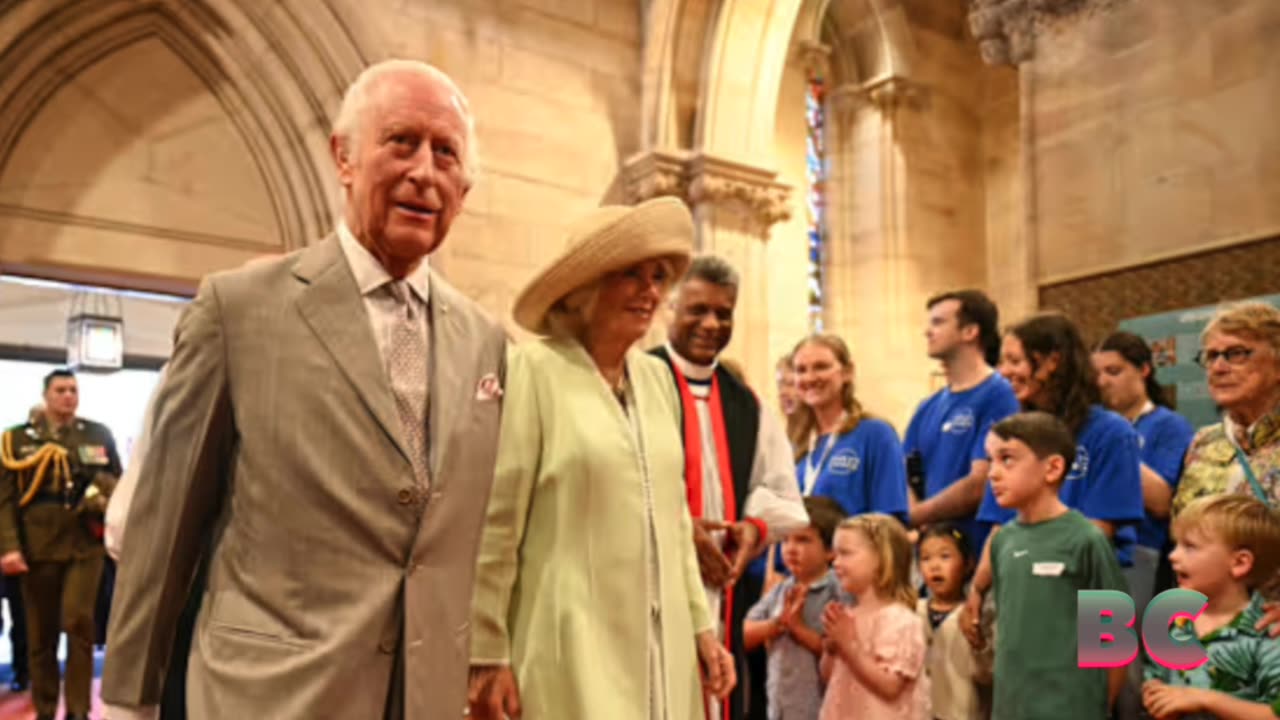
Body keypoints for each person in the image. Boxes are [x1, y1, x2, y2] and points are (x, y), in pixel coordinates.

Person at [100, 59, 508, 719]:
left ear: (464, 187)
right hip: (269, 694)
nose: (424, 172)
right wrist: (129, 701)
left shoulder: (485, 341)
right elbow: (163, 525)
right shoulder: (238, 311)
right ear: (343, 157)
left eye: (446, 153)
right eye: (401, 141)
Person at [468, 197, 735, 720]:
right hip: (568, 641)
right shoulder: (533, 371)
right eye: (630, 274)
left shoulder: (659, 380)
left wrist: (701, 628)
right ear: (585, 288)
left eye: (657, 276)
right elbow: (496, 522)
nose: (650, 291)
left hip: (663, 645)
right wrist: (486, 651)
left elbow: (676, 518)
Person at [651, 255, 808, 720]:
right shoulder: (636, 380)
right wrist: (680, 532)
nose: (711, 323)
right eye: (697, 310)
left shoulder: (746, 403)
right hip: (650, 592)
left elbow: (782, 495)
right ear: (669, 309)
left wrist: (753, 532)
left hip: (722, 596)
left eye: (724, 313)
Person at [963, 313, 1144, 642]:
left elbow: (1099, 530)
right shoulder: (1011, 434)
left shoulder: (1111, 433)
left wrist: (1038, 574)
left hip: (1090, 588)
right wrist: (976, 590)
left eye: (1014, 360)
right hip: (1025, 588)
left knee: (1093, 691)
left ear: (1051, 362)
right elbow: (998, 527)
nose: (1004, 372)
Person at [983, 411, 1129, 719]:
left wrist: (1098, 707)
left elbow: (1114, 643)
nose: (992, 473)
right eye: (990, 460)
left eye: (1007, 459)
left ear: (1052, 468)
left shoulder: (1085, 540)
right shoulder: (1003, 541)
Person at [0, 369, 121, 720]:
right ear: (46, 395)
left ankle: (79, 711)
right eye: (61, 390)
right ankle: (46, 708)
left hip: (84, 543)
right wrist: (9, 547)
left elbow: (119, 481)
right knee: (41, 636)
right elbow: (4, 501)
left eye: (73, 390)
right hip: (36, 547)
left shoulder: (97, 434)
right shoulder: (16, 441)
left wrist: (101, 493)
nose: (69, 396)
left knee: (79, 622)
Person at [1174, 301, 1280, 636]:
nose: (1218, 367)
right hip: (1211, 630)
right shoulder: (1203, 443)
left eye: (1237, 353)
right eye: (1211, 356)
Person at [1141, 494, 1280, 718]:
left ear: (1239, 563)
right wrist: (1154, 692)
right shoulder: (1174, 622)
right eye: (1176, 545)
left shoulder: (1268, 633)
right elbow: (1154, 677)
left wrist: (1207, 700)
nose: (1173, 556)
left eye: (1190, 547)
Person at [904, 290, 1019, 554]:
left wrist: (916, 515)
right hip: (934, 556)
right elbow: (905, 473)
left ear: (970, 332)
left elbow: (981, 482)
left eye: (938, 322)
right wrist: (913, 512)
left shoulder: (1000, 394)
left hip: (979, 549)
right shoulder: (928, 407)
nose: (928, 331)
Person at [1092, 331, 1195, 613]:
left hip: (1141, 554)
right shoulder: (1090, 427)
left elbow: (1162, 502)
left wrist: (1114, 441)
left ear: (1144, 370)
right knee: (1087, 651)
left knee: (1118, 653)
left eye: (1113, 371)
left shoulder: (1168, 426)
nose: (1102, 382)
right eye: (1096, 374)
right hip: (1091, 549)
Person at [743, 496, 848, 720]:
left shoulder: (838, 591)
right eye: (786, 540)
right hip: (779, 709)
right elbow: (744, 634)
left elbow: (845, 655)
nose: (790, 549)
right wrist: (777, 624)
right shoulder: (781, 590)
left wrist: (799, 629)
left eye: (803, 540)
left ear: (831, 550)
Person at [819, 513, 930, 720]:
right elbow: (829, 677)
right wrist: (831, 649)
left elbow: (890, 687)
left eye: (846, 553)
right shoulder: (848, 616)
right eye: (835, 554)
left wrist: (850, 647)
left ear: (881, 558)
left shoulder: (900, 620)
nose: (835, 562)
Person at [789, 334, 909, 522]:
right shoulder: (797, 444)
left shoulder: (875, 435)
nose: (810, 378)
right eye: (801, 370)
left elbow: (889, 520)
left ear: (847, 372)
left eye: (821, 367)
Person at [916, 524, 983, 720]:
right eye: (926, 558)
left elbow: (985, 671)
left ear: (968, 564)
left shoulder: (973, 614)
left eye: (945, 557)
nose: (934, 566)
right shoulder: (913, 610)